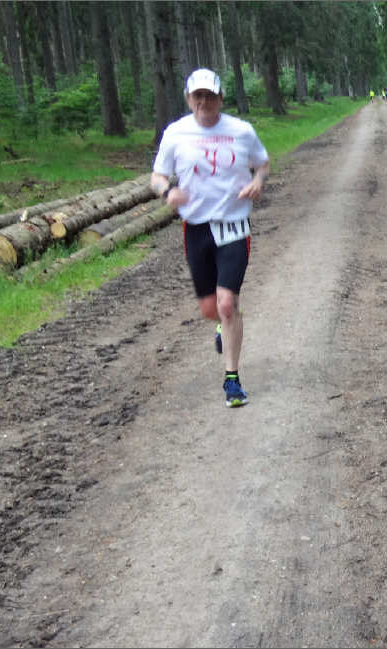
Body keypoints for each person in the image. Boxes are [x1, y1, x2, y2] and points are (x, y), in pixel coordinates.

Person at [151, 68, 271, 408]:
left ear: (221, 97)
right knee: (209, 309)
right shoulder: (176, 133)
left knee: (227, 304)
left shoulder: (241, 131)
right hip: (197, 228)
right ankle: (222, 323)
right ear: (189, 99)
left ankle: (232, 380)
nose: (204, 102)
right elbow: (157, 176)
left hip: (234, 224)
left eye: (210, 95)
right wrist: (168, 192)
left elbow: (263, 164)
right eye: (197, 96)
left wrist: (258, 182)